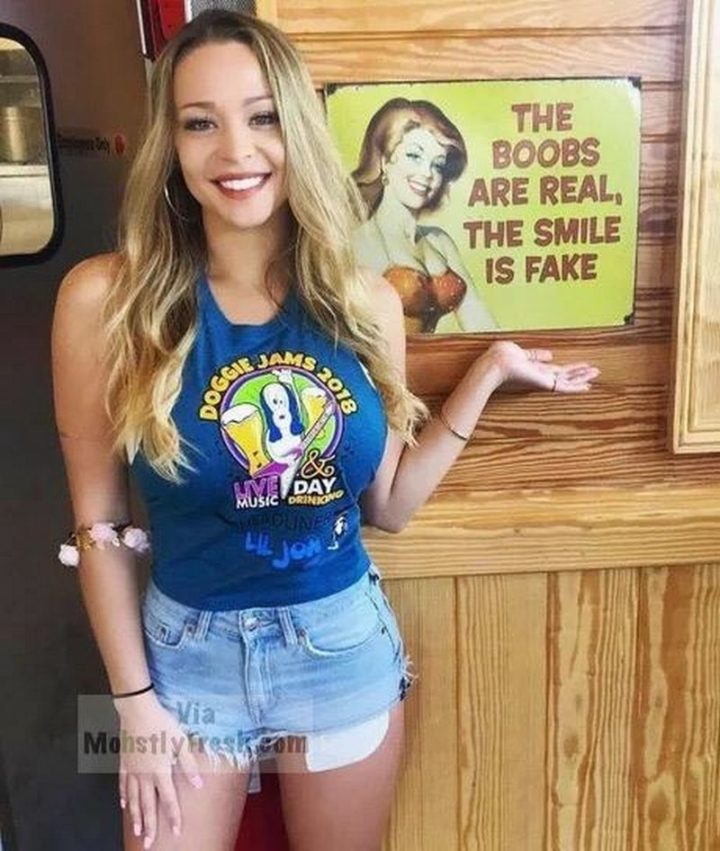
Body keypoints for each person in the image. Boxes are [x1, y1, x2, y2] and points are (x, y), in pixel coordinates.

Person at [51, 10, 599, 851]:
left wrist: (485, 375)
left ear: (298, 131)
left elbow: (389, 505)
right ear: (171, 145)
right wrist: (132, 704)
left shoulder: (364, 302)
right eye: (200, 123)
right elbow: (96, 523)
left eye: (263, 116)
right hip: (182, 660)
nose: (236, 150)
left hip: (339, 645)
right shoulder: (105, 301)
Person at [352, 97, 497, 334]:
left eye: (437, 165)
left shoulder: (440, 242)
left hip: (439, 358)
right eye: (414, 156)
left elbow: (482, 326)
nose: (427, 174)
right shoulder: (359, 241)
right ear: (385, 161)